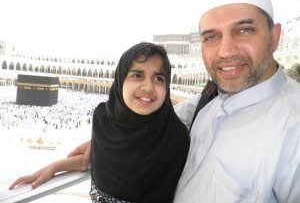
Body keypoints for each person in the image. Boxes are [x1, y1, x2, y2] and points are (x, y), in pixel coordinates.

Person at [66, 0, 300, 203]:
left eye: (245, 30)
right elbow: (161, 117)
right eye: (211, 37)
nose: (226, 51)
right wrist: (110, 137)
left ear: (275, 35)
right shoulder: (209, 102)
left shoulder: (293, 128)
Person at [9, 42, 190, 203]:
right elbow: (106, 157)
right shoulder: (104, 119)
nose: (149, 87)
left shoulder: (176, 138)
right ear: (120, 80)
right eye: (137, 75)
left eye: (159, 78)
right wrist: (55, 167)